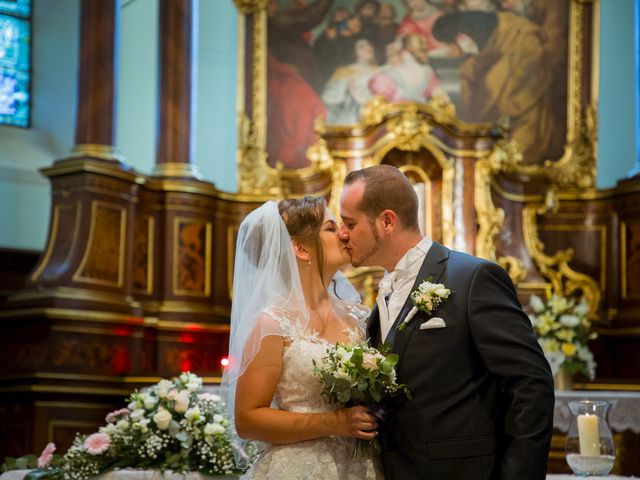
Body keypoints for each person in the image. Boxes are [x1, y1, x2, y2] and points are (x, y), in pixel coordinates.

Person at [338, 164, 555, 480]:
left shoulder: (473, 279)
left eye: (349, 223)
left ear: (386, 221)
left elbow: (531, 383)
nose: (342, 233)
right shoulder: (379, 299)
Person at [223, 198, 383, 479]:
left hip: (361, 466)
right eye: (331, 228)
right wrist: (334, 423)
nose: (345, 234)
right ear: (300, 248)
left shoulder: (359, 316)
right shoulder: (272, 323)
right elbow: (248, 420)